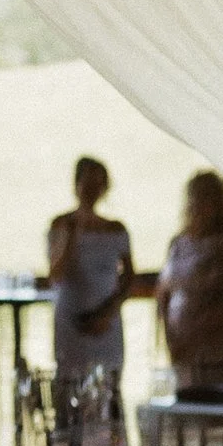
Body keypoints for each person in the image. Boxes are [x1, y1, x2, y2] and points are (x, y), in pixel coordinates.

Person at [45, 155, 133, 390]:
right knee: (71, 384)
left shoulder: (116, 229)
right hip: (71, 317)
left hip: (106, 318)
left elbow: (128, 277)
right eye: (87, 183)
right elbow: (55, 274)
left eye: (98, 184)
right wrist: (71, 237)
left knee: (106, 384)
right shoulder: (61, 225)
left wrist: (108, 312)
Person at [158, 169, 223, 402]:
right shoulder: (177, 243)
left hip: (212, 341)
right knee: (186, 402)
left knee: (215, 403)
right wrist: (170, 337)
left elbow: (218, 283)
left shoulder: (222, 243)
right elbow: (164, 290)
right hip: (181, 340)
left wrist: (182, 284)